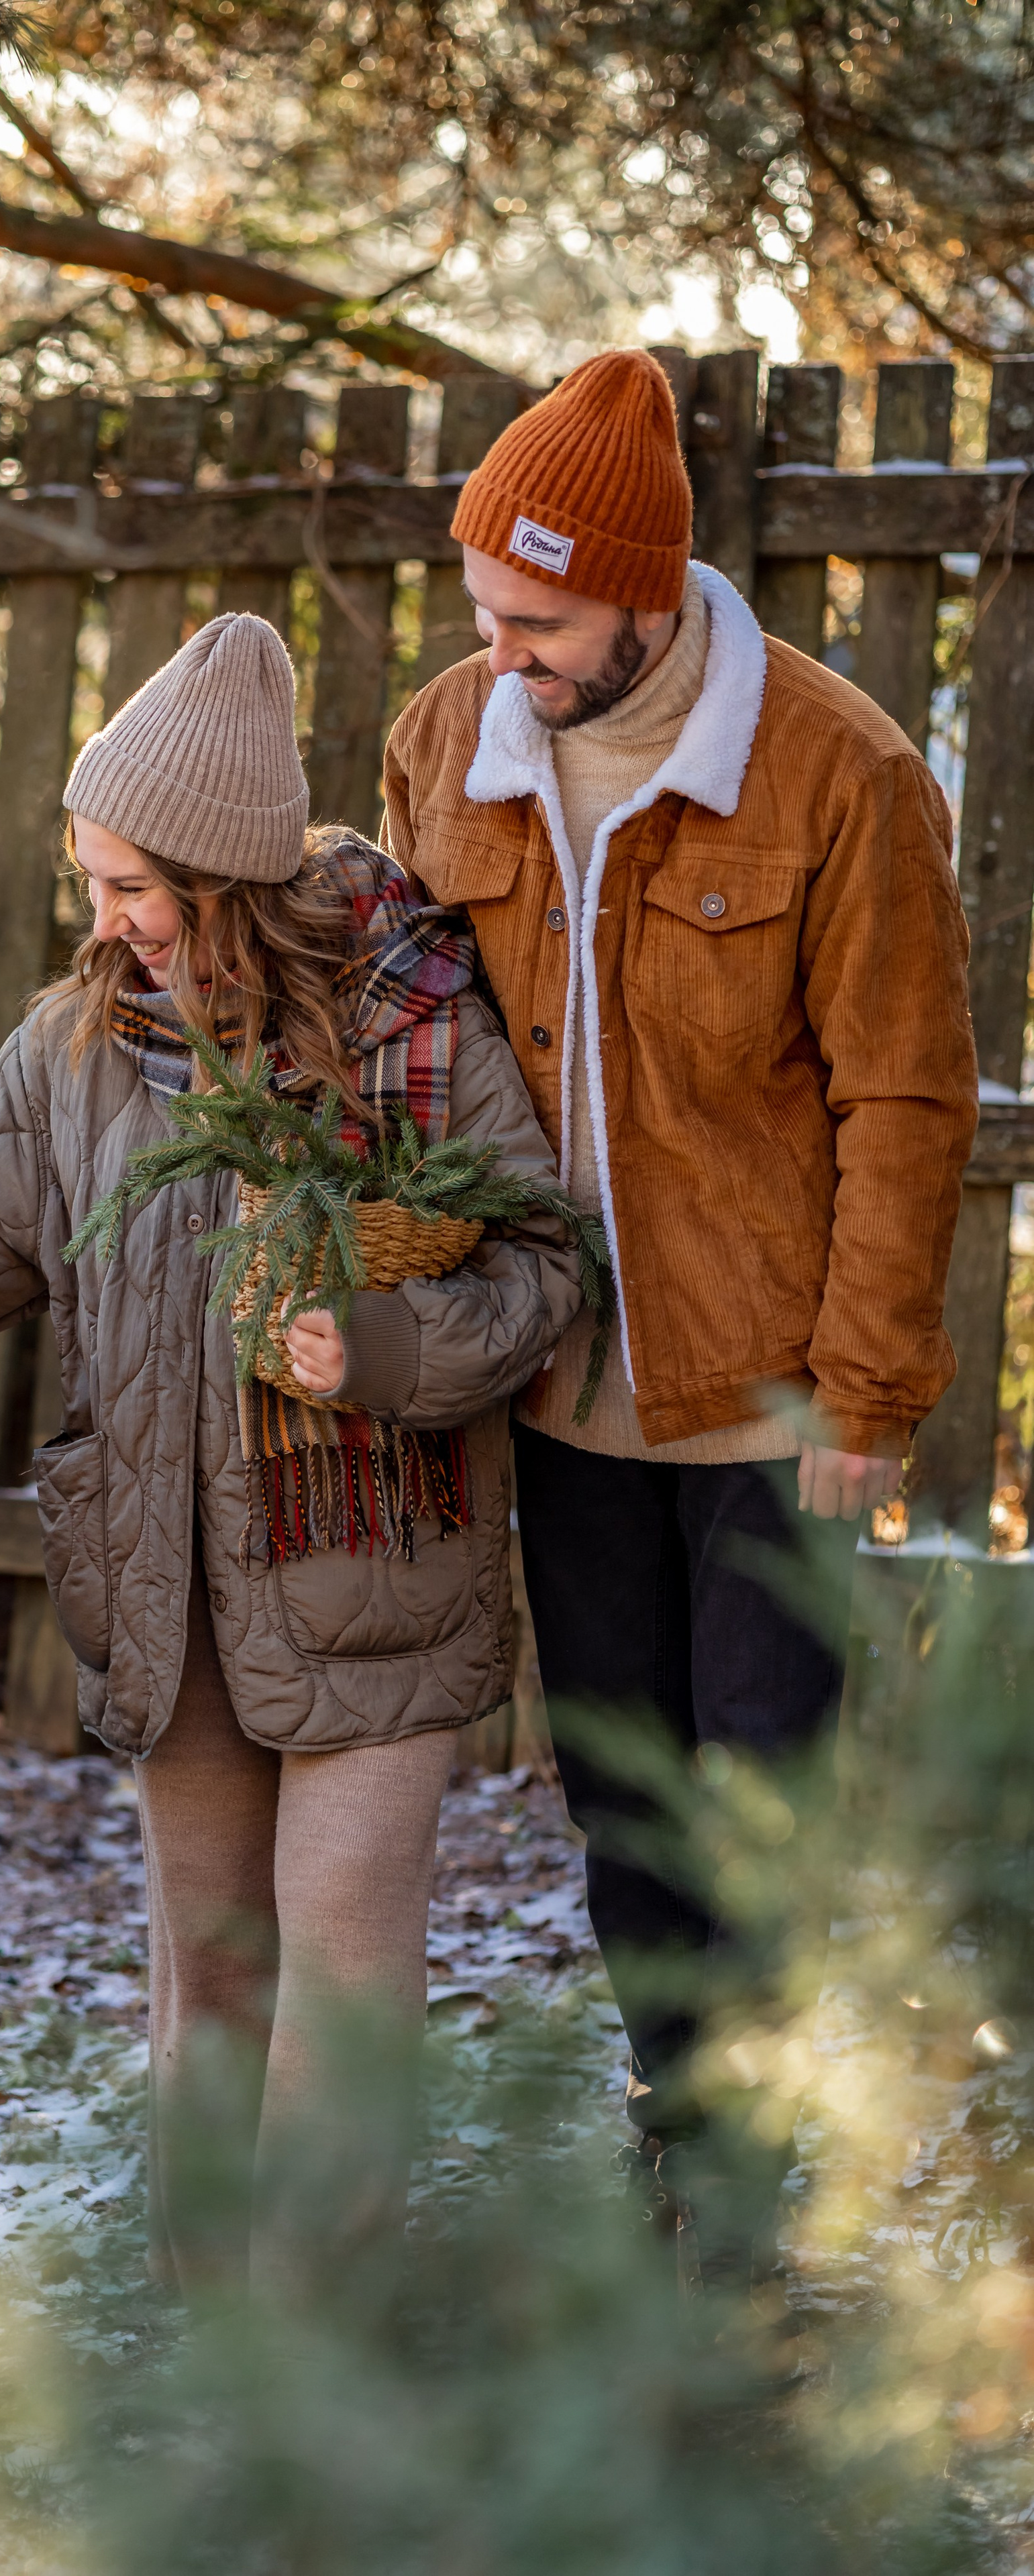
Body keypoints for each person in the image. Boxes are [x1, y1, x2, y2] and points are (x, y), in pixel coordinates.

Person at [0, 612, 582, 2300]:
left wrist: (382, 1344)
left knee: (341, 1969)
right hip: (166, 1584)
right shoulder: (76, 1047)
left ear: (224, 877)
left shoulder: (406, 1023)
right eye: (90, 878)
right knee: (211, 1965)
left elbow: (537, 1264)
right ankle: (209, 2330)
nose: (102, 917)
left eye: (131, 884)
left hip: (371, 1574)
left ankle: (313, 2346)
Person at [381, 348, 978, 2280]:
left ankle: (755, 2174)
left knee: (760, 1796)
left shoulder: (835, 770)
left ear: (643, 597)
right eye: (483, 612)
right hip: (556, 1381)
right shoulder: (445, 739)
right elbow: (399, 1030)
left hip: (772, 1391)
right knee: (624, 1794)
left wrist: (869, 1393)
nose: (501, 657)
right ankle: (683, 2131)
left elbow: (908, 1098)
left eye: (538, 625)